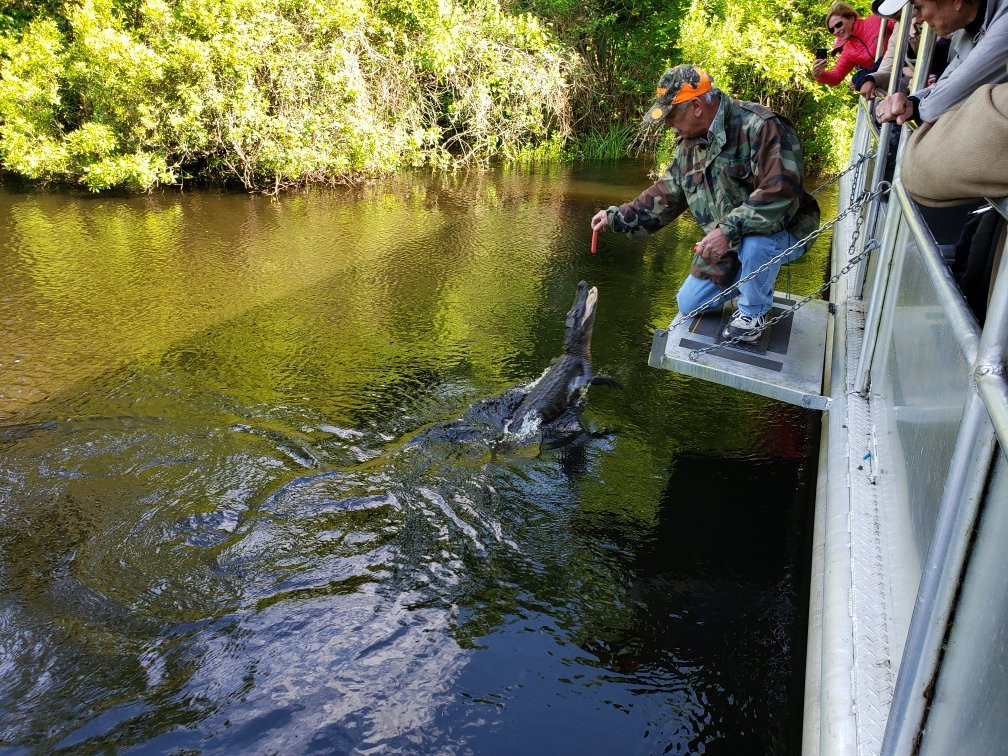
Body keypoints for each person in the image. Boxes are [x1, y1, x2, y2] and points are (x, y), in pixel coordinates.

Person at [589, 65, 820, 342]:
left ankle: (753, 313)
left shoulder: (760, 125)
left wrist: (726, 231)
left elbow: (780, 192)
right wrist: (615, 217)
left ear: (696, 106)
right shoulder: (689, 144)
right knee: (689, 304)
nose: (666, 124)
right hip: (730, 239)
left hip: (783, 229)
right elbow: (666, 194)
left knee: (756, 244)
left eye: (671, 115)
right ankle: (751, 277)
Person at [874, 0, 1008, 125]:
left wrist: (913, 106)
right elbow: (948, 80)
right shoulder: (970, 29)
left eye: (919, 7)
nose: (918, 18)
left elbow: (952, 94)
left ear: (957, 1)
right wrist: (911, 102)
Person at [813, 2, 893, 88]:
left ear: (852, 18)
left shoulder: (877, 19)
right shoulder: (848, 50)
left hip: (904, 61)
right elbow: (836, 77)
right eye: (832, 30)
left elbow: (900, 30)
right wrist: (820, 75)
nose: (836, 31)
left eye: (838, 25)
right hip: (889, 80)